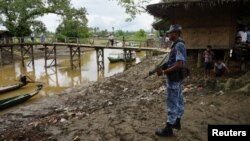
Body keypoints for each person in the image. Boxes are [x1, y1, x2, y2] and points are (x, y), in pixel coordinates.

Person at [155, 24, 187, 137]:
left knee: (172, 102)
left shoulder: (178, 46)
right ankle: (176, 122)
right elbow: (173, 61)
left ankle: (169, 129)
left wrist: (163, 72)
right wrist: (163, 67)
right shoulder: (177, 44)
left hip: (174, 79)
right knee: (178, 100)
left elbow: (179, 64)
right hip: (176, 78)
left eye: (169, 33)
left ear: (175, 33)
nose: (168, 34)